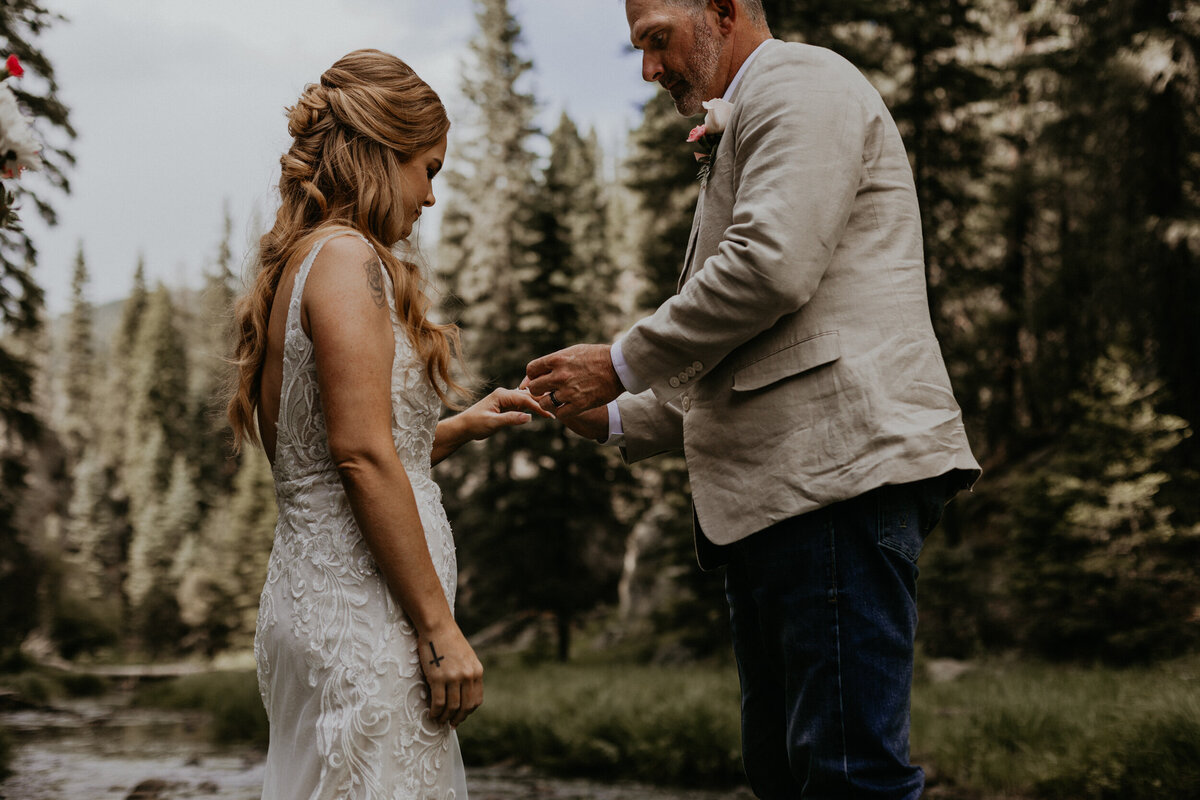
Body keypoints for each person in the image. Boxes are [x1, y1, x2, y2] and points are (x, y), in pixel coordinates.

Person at [523, 1, 982, 797]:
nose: (649, 69)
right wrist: (605, 414)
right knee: (786, 778)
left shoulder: (801, 84)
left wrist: (622, 360)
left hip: (837, 481)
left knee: (847, 778)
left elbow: (771, 267)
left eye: (655, 41)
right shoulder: (748, 120)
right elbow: (738, 352)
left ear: (724, 9)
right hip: (784, 502)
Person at [227, 49, 548, 799]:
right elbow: (361, 457)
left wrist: (458, 427)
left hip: (321, 604)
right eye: (428, 168)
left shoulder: (305, 260)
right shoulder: (347, 260)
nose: (430, 197)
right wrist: (439, 628)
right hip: (365, 622)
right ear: (381, 153)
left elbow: (331, 448)